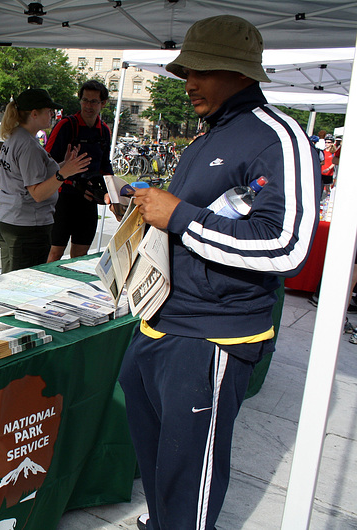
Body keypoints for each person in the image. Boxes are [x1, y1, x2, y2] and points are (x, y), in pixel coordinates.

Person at [117, 16, 320, 530]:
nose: (188, 83)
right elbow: (193, 222)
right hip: (160, 318)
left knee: (191, 477)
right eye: (185, 70)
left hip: (213, 335)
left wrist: (179, 215)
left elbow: (288, 247)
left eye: (200, 70)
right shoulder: (205, 139)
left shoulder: (279, 137)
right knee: (159, 462)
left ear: (240, 72)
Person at [0, 88, 89, 273]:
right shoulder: (28, 146)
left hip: (11, 220)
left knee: (10, 280)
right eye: (48, 111)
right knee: (22, 284)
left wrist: (63, 166)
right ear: (34, 114)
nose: (52, 115)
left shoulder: (16, 137)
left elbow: (31, 175)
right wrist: (64, 174)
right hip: (26, 226)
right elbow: (37, 193)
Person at [45, 80, 113, 262]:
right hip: (63, 198)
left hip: (88, 200)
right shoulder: (66, 126)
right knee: (54, 253)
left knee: (80, 257)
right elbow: (45, 160)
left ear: (103, 103)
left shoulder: (104, 131)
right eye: (85, 100)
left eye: (94, 102)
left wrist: (112, 191)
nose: (88, 106)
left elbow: (106, 165)